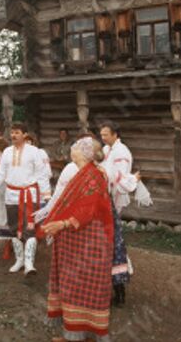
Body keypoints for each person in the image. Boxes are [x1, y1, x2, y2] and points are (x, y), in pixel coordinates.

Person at [41, 136, 113, 342]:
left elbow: (88, 210)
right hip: (76, 236)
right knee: (72, 281)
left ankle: (81, 334)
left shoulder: (94, 176)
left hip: (89, 238)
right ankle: (75, 333)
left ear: (84, 153)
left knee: (82, 282)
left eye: (75, 147)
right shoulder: (84, 172)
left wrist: (62, 224)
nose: (72, 149)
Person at [0, 122, 51, 276]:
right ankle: (19, 260)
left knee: (29, 229)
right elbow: (1, 174)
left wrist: (47, 196)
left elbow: (42, 174)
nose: (13, 135)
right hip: (11, 196)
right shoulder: (6, 152)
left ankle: (29, 264)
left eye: (17, 132)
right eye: (12, 133)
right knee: (13, 229)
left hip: (29, 195)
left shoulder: (34, 152)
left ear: (25, 135)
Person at [100, 121, 138, 306]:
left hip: (112, 204)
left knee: (115, 246)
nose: (103, 138)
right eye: (101, 135)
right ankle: (110, 287)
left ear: (115, 134)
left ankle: (120, 291)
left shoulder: (121, 153)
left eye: (106, 134)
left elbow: (119, 178)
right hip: (104, 203)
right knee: (110, 246)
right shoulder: (108, 151)